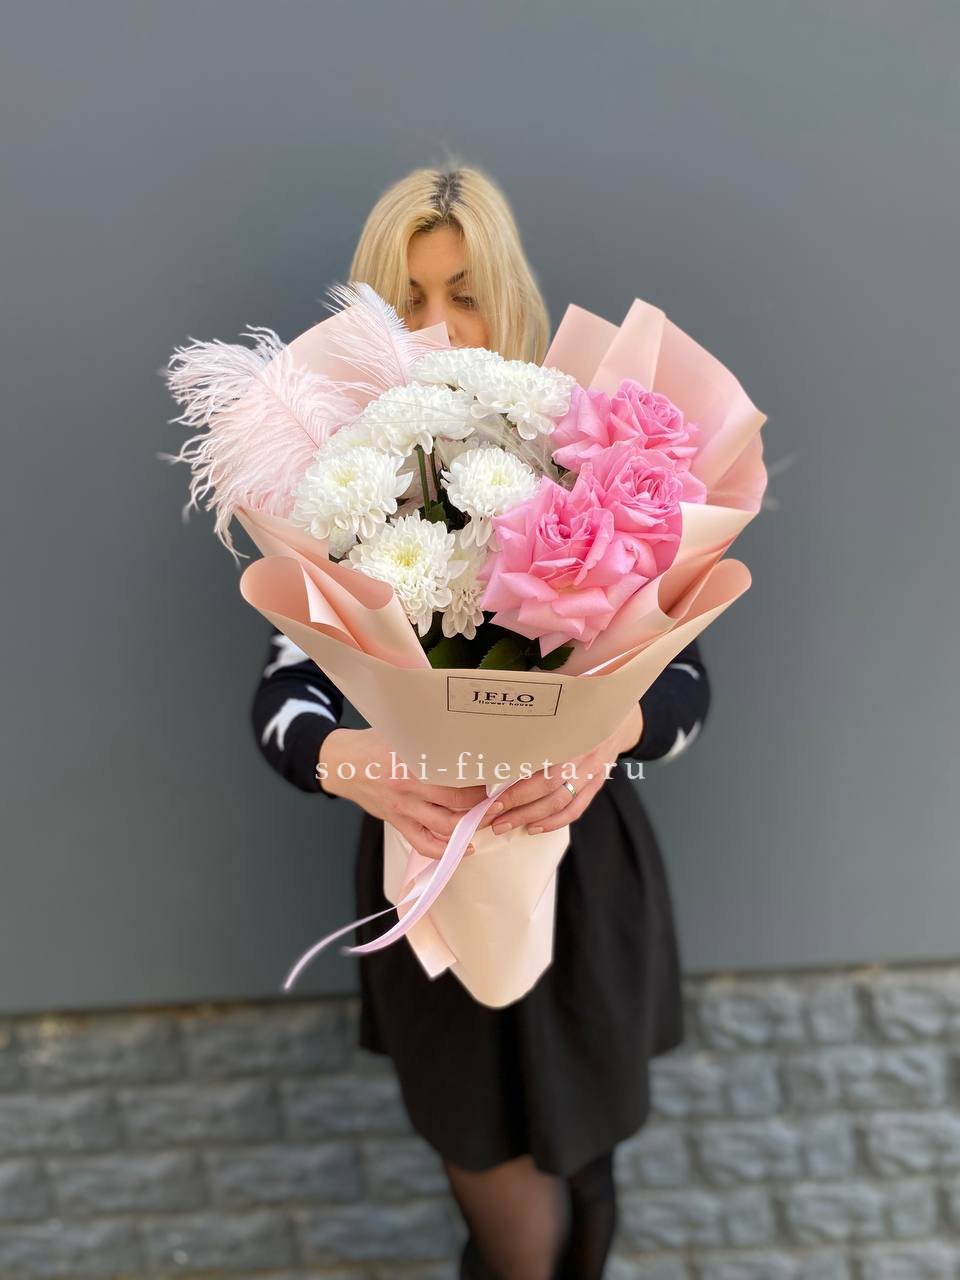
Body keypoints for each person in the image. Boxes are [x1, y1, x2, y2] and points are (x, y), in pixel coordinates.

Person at [251, 163, 711, 1280]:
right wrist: (349, 760)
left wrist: (609, 732)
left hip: (580, 858)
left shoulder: (585, 455)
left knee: (589, 1183)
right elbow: (284, 698)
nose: (439, 323)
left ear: (508, 295)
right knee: (504, 1204)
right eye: (409, 298)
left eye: (463, 292)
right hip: (425, 863)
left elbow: (687, 688)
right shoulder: (336, 483)